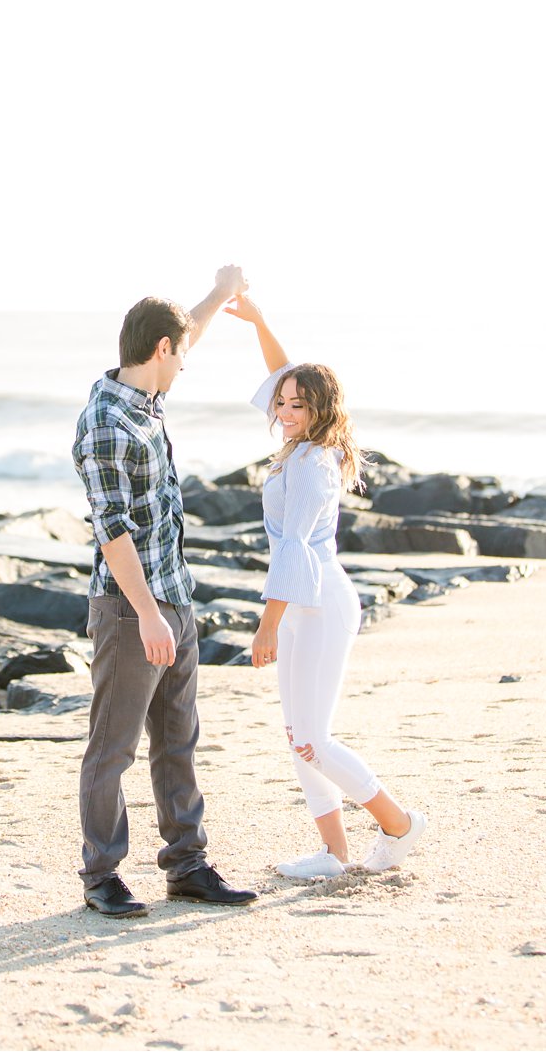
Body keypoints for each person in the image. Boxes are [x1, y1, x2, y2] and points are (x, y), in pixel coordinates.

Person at [72, 265, 259, 917]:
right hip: (131, 610)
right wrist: (148, 614)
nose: (186, 363)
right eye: (180, 355)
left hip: (175, 599)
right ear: (160, 352)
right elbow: (112, 529)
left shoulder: (147, 399)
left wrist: (221, 290)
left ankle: (187, 866)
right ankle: (101, 875)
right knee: (113, 748)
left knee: (177, 742)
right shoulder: (104, 421)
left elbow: (189, 334)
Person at [223, 291, 427, 878]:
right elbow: (282, 374)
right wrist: (259, 323)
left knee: (312, 736)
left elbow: (292, 548)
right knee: (296, 735)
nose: (284, 409)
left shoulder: (313, 463)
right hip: (300, 602)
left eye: (297, 404)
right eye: (282, 402)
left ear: (322, 410)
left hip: (320, 600)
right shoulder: (300, 447)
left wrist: (267, 625)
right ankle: (335, 855)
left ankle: (398, 824)